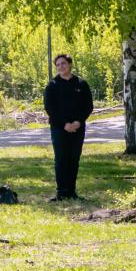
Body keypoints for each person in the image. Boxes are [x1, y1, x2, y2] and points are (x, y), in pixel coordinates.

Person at [43, 54, 94, 201]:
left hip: (78, 128)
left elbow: (88, 106)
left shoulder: (81, 84)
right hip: (59, 129)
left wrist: (79, 121)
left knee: (73, 159)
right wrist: (64, 124)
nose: (60, 67)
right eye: (58, 65)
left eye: (63, 63)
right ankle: (61, 192)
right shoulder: (52, 85)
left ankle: (72, 191)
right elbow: (49, 108)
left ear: (70, 64)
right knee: (61, 159)